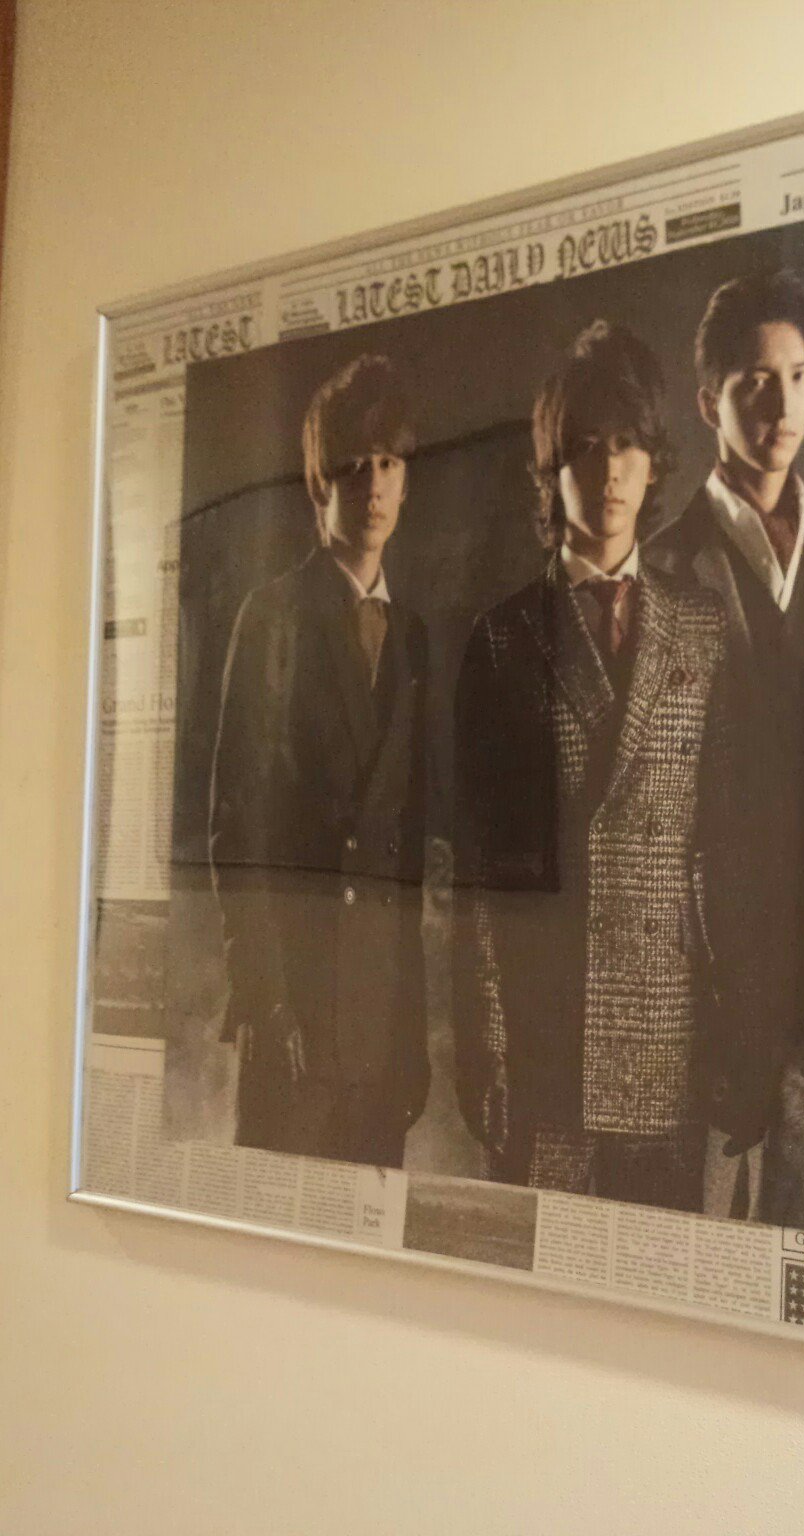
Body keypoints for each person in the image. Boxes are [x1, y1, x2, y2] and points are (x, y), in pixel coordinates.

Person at [452, 320, 762, 1209]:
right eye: (586, 447)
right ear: (552, 470)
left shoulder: (700, 626)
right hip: (547, 1031)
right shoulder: (504, 638)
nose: (610, 470)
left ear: (655, 461)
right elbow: (481, 877)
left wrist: (737, 1031)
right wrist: (487, 1044)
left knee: (656, 1278)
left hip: (669, 1028)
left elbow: (726, 851)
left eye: (628, 444)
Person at [649, 270, 804, 1233]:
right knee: (693, 1248)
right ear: (708, 399)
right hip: (710, 980)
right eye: (754, 380)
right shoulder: (662, 566)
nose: (780, 404)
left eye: (798, 376)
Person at [210, 353, 429, 1168]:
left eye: (389, 463)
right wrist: (269, 1003)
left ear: (405, 481)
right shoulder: (271, 616)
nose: (373, 486)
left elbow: (404, 865)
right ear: (317, 482)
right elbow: (236, 832)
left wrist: (412, 1032)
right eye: (352, 465)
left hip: (380, 1025)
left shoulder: (413, 637)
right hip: (295, 1015)